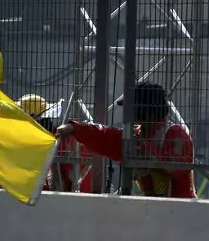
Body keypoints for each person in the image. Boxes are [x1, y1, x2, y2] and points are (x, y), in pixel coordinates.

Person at [55, 82, 195, 198]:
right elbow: (104, 136)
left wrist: (142, 150)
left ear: (145, 108)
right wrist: (74, 128)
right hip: (151, 208)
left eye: (131, 107)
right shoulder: (137, 135)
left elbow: (176, 168)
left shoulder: (175, 133)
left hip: (178, 209)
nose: (127, 112)